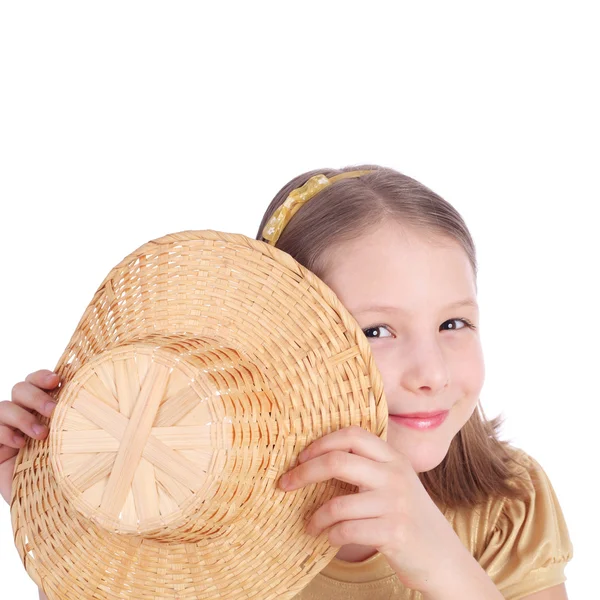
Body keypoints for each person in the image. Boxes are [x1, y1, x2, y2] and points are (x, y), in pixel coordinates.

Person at [0, 165, 573, 600]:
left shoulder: (507, 502)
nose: (433, 374)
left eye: (454, 323)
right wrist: (70, 503)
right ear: (284, 344)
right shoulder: (198, 518)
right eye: (376, 331)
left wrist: (439, 558)